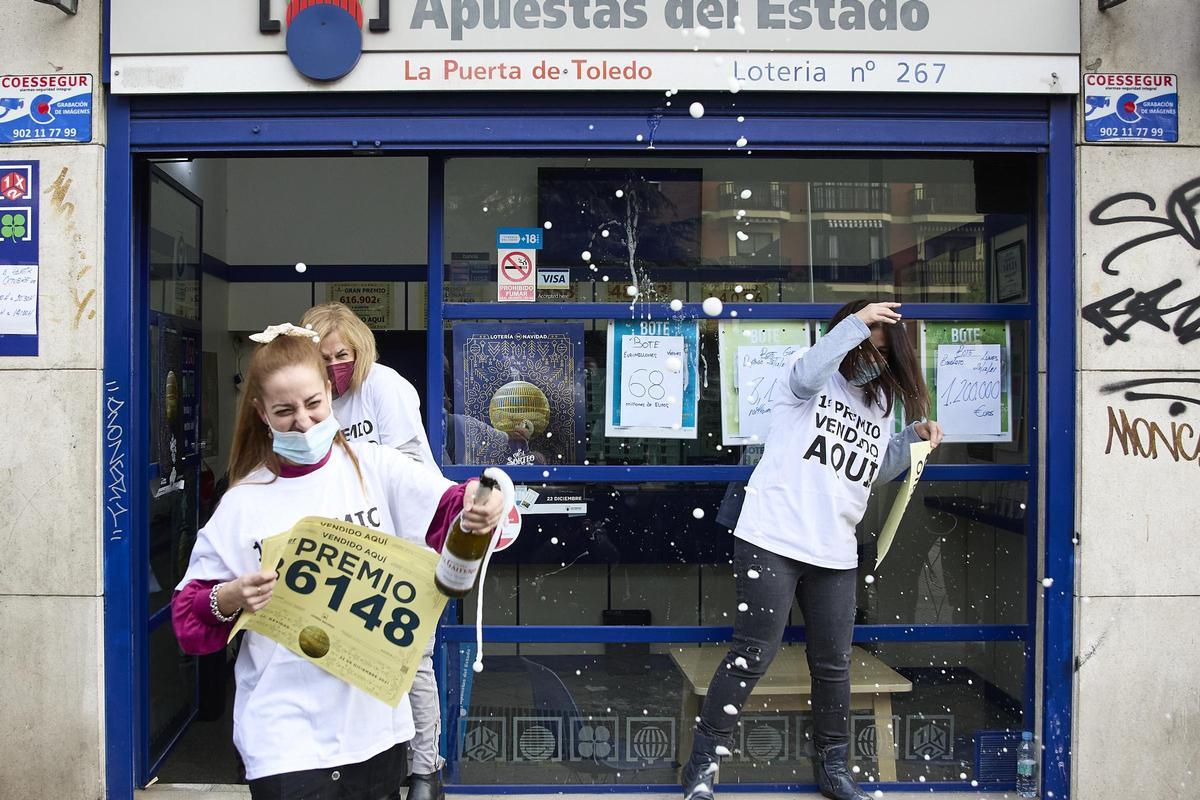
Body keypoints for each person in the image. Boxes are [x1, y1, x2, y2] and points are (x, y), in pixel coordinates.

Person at [171, 323, 504, 800]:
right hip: (284, 740)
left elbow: (447, 508)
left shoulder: (376, 466)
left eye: (313, 404)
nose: (303, 423)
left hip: (376, 732)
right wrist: (228, 597)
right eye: (284, 412)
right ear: (261, 412)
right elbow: (188, 623)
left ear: (330, 390)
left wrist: (478, 501)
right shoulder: (243, 502)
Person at [681, 300, 944, 800]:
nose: (874, 355)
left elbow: (871, 467)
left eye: (885, 350)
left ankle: (834, 769)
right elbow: (811, 374)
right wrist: (858, 323)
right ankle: (701, 766)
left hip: (836, 550)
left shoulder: (879, 404)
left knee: (833, 665)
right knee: (752, 653)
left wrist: (913, 438)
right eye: (868, 341)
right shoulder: (805, 377)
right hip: (771, 538)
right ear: (846, 336)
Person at [299, 303, 446, 800]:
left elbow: (408, 466)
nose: (336, 364)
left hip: (404, 544)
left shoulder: (385, 387)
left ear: (360, 349)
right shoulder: (310, 399)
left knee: (413, 662)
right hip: (346, 553)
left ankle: (425, 771)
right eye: (324, 356)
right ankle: (366, 767)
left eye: (343, 354)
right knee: (350, 663)